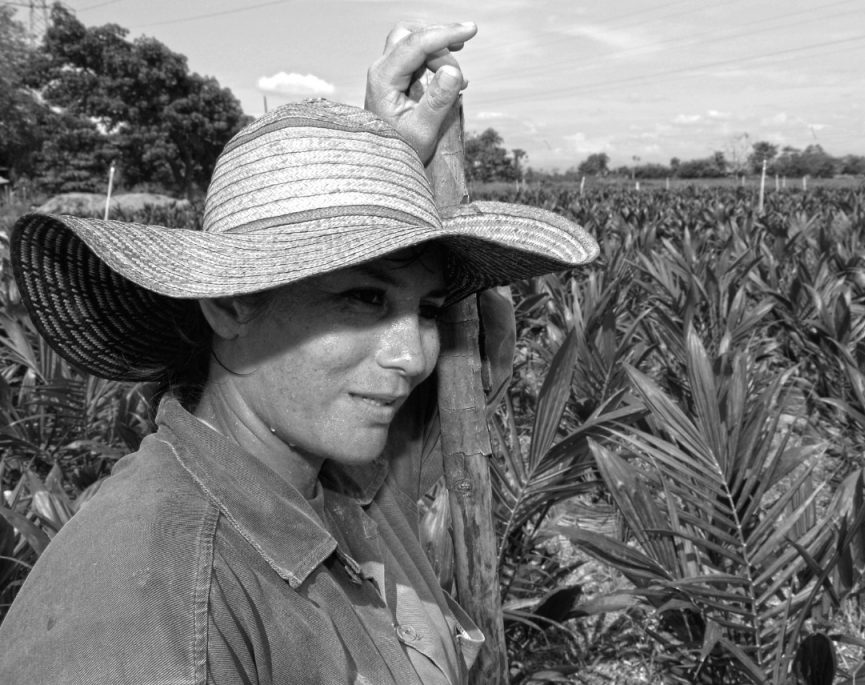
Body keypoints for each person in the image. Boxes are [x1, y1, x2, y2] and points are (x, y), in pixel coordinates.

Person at [0, 22, 598, 685]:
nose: (413, 356)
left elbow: (470, 366)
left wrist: (381, 156)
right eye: (364, 299)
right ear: (229, 302)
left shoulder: (343, 473)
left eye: (426, 308)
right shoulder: (156, 611)